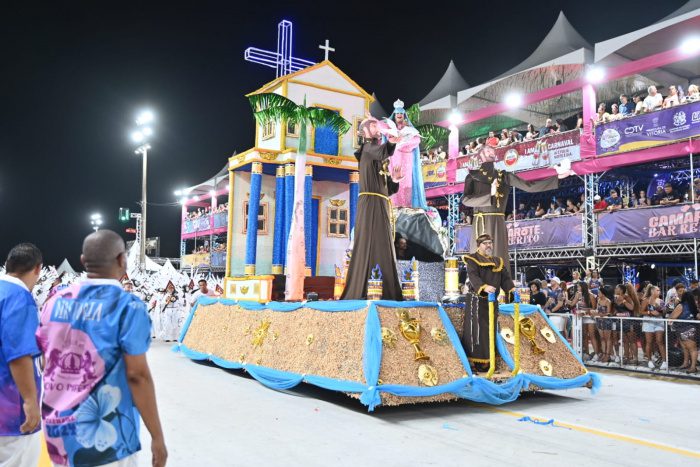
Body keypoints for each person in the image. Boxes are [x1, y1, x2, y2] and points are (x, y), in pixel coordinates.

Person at [36, 230, 167, 467]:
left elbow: (46, 362)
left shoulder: (54, 302)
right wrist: (157, 437)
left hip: (58, 432)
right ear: (121, 260)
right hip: (108, 438)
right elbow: (137, 375)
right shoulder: (128, 307)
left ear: (83, 261)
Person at [460, 145, 571, 262]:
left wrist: (558, 178)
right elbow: (466, 200)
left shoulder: (504, 176)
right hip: (480, 221)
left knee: (498, 256)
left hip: (498, 222)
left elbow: (529, 186)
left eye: (493, 150)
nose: (491, 152)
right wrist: (490, 195)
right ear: (481, 155)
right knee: (479, 257)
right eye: (487, 150)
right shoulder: (472, 176)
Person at [341, 116, 404, 300]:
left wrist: (395, 181)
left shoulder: (377, 154)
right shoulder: (368, 149)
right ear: (366, 131)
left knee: (383, 244)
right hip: (370, 205)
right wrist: (391, 142)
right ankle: (363, 288)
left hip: (380, 203)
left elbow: (386, 188)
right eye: (374, 125)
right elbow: (383, 150)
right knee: (370, 241)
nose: (379, 128)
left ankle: (387, 290)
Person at [0, 244, 43, 467]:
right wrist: (30, 400)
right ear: (37, 269)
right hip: (10, 408)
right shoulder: (19, 297)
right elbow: (18, 354)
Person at [461, 234, 515, 368]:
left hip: (492, 303)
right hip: (477, 302)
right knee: (478, 333)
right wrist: (484, 287)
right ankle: (478, 363)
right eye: (485, 243)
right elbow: (473, 277)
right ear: (479, 245)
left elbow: (506, 279)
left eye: (490, 243)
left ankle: (491, 362)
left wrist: (512, 290)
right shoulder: (472, 259)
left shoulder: (498, 261)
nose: (489, 245)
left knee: (491, 331)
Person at [568, 281, 599, 362]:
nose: (577, 288)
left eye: (579, 287)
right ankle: (587, 353)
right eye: (577, 287)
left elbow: (594, 308)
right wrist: (565, 300)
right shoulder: (578, 294)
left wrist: (584, 311)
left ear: (583, 287)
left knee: (592, 335)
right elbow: (572, 304)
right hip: (581, 318)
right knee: (584, 335)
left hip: (589, 317)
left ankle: (596, 354)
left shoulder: (591, 295)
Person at [670, 291, 698, 373]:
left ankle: (693, 367)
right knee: (689, 348)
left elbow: (672, 317)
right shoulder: (693, 306)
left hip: (682, 329)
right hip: (690, 328)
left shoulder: (681, 306)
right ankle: (686, 364)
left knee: (690, 349)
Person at [641, 285, 668, 370]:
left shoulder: (661, 301)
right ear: (652, 291)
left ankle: (664, 361)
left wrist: (660, 311)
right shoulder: (646, 300)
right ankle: (649, 360)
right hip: (648, 321)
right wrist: (650, 312)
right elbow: (641, 311)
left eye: (659, 290)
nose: (659, 292)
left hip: (659, 321)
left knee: (660, 341)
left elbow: (664, 312)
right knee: (649, 342)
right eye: (657, 290)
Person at [614, 283, 641, 366]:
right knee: (624, 341)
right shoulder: (615, 298)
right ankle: (626, 357)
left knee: (632, 341)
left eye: (617, 288)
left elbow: (631, 308)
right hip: (620, 322)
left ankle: (635, 358)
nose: (615, 289)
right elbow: (616, 310)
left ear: (621, 290)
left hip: (629, 322)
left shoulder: (626, 297)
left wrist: (624, 301)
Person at [595, 285, 615, 364]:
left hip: (606, 321)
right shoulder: (599, 300)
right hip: (599, 321)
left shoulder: (608, 301)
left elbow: (609, 313)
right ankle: (604, 353)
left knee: (608, 338)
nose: (598, 294)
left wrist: (600, 315)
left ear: (603, 293)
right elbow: (597, 310)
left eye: (599, 293)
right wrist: (595, 313)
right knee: (602, 338)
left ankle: (607, 354)